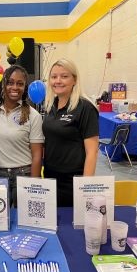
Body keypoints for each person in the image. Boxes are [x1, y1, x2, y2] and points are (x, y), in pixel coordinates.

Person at [42, 58, 99, 207]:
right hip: (50, 178)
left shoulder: (85, 108)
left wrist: (85, 189)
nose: (58, 81)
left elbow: (92, 152)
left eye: (64, 76)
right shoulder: (50, 106)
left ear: (74, 79)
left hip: (73, 182)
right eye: (54, 77)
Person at [0, 65, 44, 206]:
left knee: (24, 222)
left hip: (23, 175)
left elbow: (37, 155)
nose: (15, 87)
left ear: (25, 88)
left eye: (20, 84)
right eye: (10, 82)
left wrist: (33, 187)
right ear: (3, 85)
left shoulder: (33, 116)